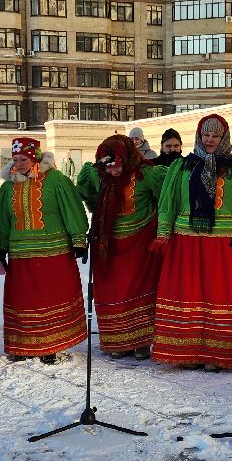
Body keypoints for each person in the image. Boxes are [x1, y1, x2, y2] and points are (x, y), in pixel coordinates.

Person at [151, 114, 232, 371]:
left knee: (217, 297)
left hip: (222, 245)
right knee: (188, 294)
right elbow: (168, 202)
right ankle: (187, 352)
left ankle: (216, 354)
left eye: (215, 135)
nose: (210, 140)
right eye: (205, 135)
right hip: (185, 243)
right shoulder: (182, 167)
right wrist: (163, 233)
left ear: (224, 138)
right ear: (199, 137)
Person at [0, 137, 88, 363]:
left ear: (34, 157)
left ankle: (52, 346)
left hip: (53, 252)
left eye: (23, 158)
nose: (19, 163)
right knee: (23, 301)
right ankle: (23, 346)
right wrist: (1, 245)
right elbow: (4, 219)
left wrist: (78, 238)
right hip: (21, 254)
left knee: (51, 299)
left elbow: (72, 209)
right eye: (15, 159)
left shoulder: (56, 181)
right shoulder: (9, 186)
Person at [76, 134, 164, 358]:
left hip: (140, 245)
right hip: (109, 247)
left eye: (118, 167)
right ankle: (117, 341)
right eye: (109, 168)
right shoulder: (97, 175)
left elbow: (165, 198)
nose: (114, 172)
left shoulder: (147, 174)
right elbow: (86, 192)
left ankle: (142, 342)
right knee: (113, 293)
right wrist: (98, 210)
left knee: (140, 290)